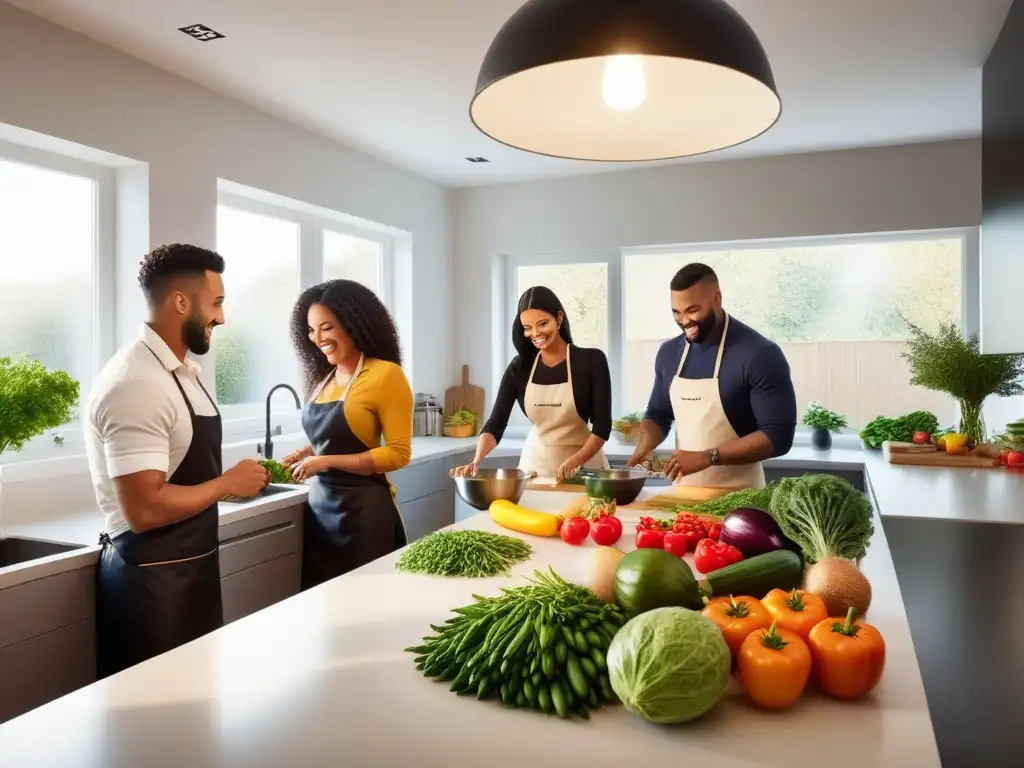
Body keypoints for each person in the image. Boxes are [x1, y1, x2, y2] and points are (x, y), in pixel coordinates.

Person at [86, 244, 269, 679]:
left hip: (195, 569)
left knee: (199, 719)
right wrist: (227, 484)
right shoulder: (136, 384)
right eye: (217, 303)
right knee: (154, 730)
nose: (222, 318)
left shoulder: (183, 373)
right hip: (149, 586)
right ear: (181, 302)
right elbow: (143, 509)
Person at [281, 279, 413, 590]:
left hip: (364, 514)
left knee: (367, 605)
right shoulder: (324, 378)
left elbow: (397, 453)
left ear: (353, 323)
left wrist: (325, 462)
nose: (317, 338)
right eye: (312, 330)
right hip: (320, 512)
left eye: (326, 327)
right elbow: (334, 438)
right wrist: (307, 453)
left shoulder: (385, 375)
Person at [627, 263, 797, 488]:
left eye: (693, 310)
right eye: (676, 312)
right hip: (683, 501)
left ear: (717, 298)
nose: (684, 321)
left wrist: (708, 457)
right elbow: (658, 414)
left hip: (742, 499)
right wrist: (644, 445)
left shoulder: (760, 354)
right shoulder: (669, 354)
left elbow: (778, 436)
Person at [453, 286, 612, 481]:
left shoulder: (591, 361)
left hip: (586, 470)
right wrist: (476, 460)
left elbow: (602, 427)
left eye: (543, 324)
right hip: (536, 469)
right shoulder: (520, 368)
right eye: (528, 328)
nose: (536, 333)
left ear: (559, 318)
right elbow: (496, 423)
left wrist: (576, 460)